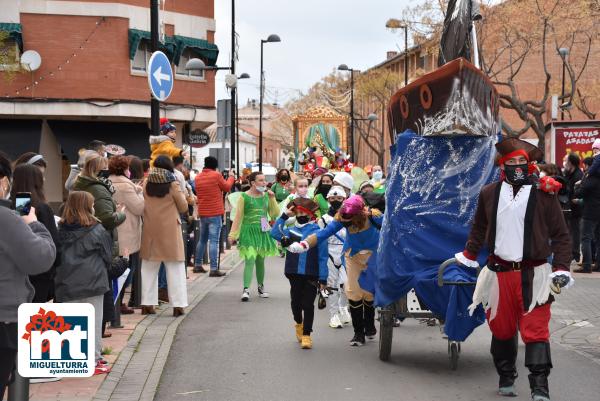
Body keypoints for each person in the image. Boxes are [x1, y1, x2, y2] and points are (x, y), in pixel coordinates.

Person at [454, 138, 572, 401]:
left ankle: (539, 386)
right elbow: (479, 228)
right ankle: (506, 375)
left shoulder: (544, 193)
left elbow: (562, 235)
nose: (517, 166)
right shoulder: (488, 193)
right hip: (499, 274)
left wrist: (562, 267)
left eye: (522, 161)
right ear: (502, 165)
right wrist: (469, 255)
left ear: (529, 165)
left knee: (536, 330)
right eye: (512, 162)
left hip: (536, 275)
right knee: (502, 329)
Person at [289, 195, 383, 346]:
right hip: (352, 256)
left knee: (369, 292)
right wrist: (304, 244)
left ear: (359, 214)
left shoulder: (375, 217)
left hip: (373, 256)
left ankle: (369, 324)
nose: (346, 223)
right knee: (352, 291)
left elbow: (393, 229)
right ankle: (358, 333)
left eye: (349, 220)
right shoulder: (341, 219)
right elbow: (323, 233)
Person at [0, 151, 56, 398]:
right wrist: (33, 224)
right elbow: (41, 256)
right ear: (3, 182)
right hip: (4, 319)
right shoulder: (8, 218)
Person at [55, 191, 117, 375]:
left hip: (66, 282)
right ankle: (94, 360)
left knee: (69, 324)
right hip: (93, 281)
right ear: (88, 206)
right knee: (93, 322)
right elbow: (108, 256)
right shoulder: (98, 229)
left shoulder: (59, 230)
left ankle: (71, 359)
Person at [72, 152, 126, 337]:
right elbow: (107, 219)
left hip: (83, 243)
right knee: (103, 289)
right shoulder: (99, 188)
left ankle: (94, 338)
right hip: (99, 241)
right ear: (99, 169)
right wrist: (121, 214)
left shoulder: (79, 184)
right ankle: (97, 341)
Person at [270, 198, 328, 349]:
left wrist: (323, 278)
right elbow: (274, 233)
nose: (300, 215)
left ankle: (307, 335)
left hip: (311, 273)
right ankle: (299, 324)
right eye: (298, 212)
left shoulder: (318, 233)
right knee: (295, 303)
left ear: (310, 215)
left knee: (308, 304)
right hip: (293, 272)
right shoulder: (291, 230)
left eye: (304, 212)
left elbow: (322, 257)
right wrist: (284, 216)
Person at [139, 155, 189, 316]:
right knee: (175, 269)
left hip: (150, 230)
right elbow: (183, 207)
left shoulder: (146, 183)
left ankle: (147, 304)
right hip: (170, 231)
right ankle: (178, 305)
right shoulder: (172, 183)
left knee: (148, 268)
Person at [10, 164, 59, 302]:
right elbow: (54, 244)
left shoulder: (16, 204)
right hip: (40, 273)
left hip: (16, 273)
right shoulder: (41, 208)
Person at [228, 172, 280, 302]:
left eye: (264, 180)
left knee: (260, 261)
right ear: (253, 183)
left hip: (263, 230)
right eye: (261, 180)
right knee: (250, 259)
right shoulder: (244, 197)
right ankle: (246, 290)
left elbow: (274, 214)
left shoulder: (267, 196)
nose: (265, 183)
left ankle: (261, 287)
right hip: (248, 230)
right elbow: (238, 216)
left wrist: (273, 198)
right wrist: (232, 234)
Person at [109, 156, 144, 313]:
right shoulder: (125, 186)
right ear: (124, 169)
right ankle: (118, 303)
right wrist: (141, 193)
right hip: (127, 230)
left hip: (115, 229)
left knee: (118, 267)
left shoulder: (108, 182)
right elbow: (138, 208)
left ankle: (117, 302)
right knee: (126, 268)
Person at [194, 156, 235, 276]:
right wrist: (231, 177)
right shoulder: (216, 175)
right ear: (215, 165)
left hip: (203, 212)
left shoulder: (197, 177)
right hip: (215, 212)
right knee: (214, 241)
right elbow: (226, 187)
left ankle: (197, 265)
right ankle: (213, 269)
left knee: (202, 239)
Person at [318, 185, 351, 328]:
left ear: (344, 199)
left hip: (345, 253)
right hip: (329, 253)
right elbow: (320, 239)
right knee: (331, 286)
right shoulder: (324, 219)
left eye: (339, 198)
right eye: (333, 198)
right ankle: (333, 315)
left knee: (345, 284)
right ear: (328, 199)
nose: (336, 200)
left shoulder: (349, 217)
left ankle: (343, 307)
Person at [573, 149, 600, 274]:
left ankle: (587, 265)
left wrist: (578, 186)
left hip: (590, 212)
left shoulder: (591, 178)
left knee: (586, 238)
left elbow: (580, 192)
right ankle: (598, 264)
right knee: (598, 239)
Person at [562, 153, 583, 264]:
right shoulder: (569, 173)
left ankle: (576, 254)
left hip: (576, 208)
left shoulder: (578, 175)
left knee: (575, 231)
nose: (565, 163)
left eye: (566, 161)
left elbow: (577, 192)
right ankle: (571, 253)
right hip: (569, 206)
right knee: (570, 231)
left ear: (571, 162)